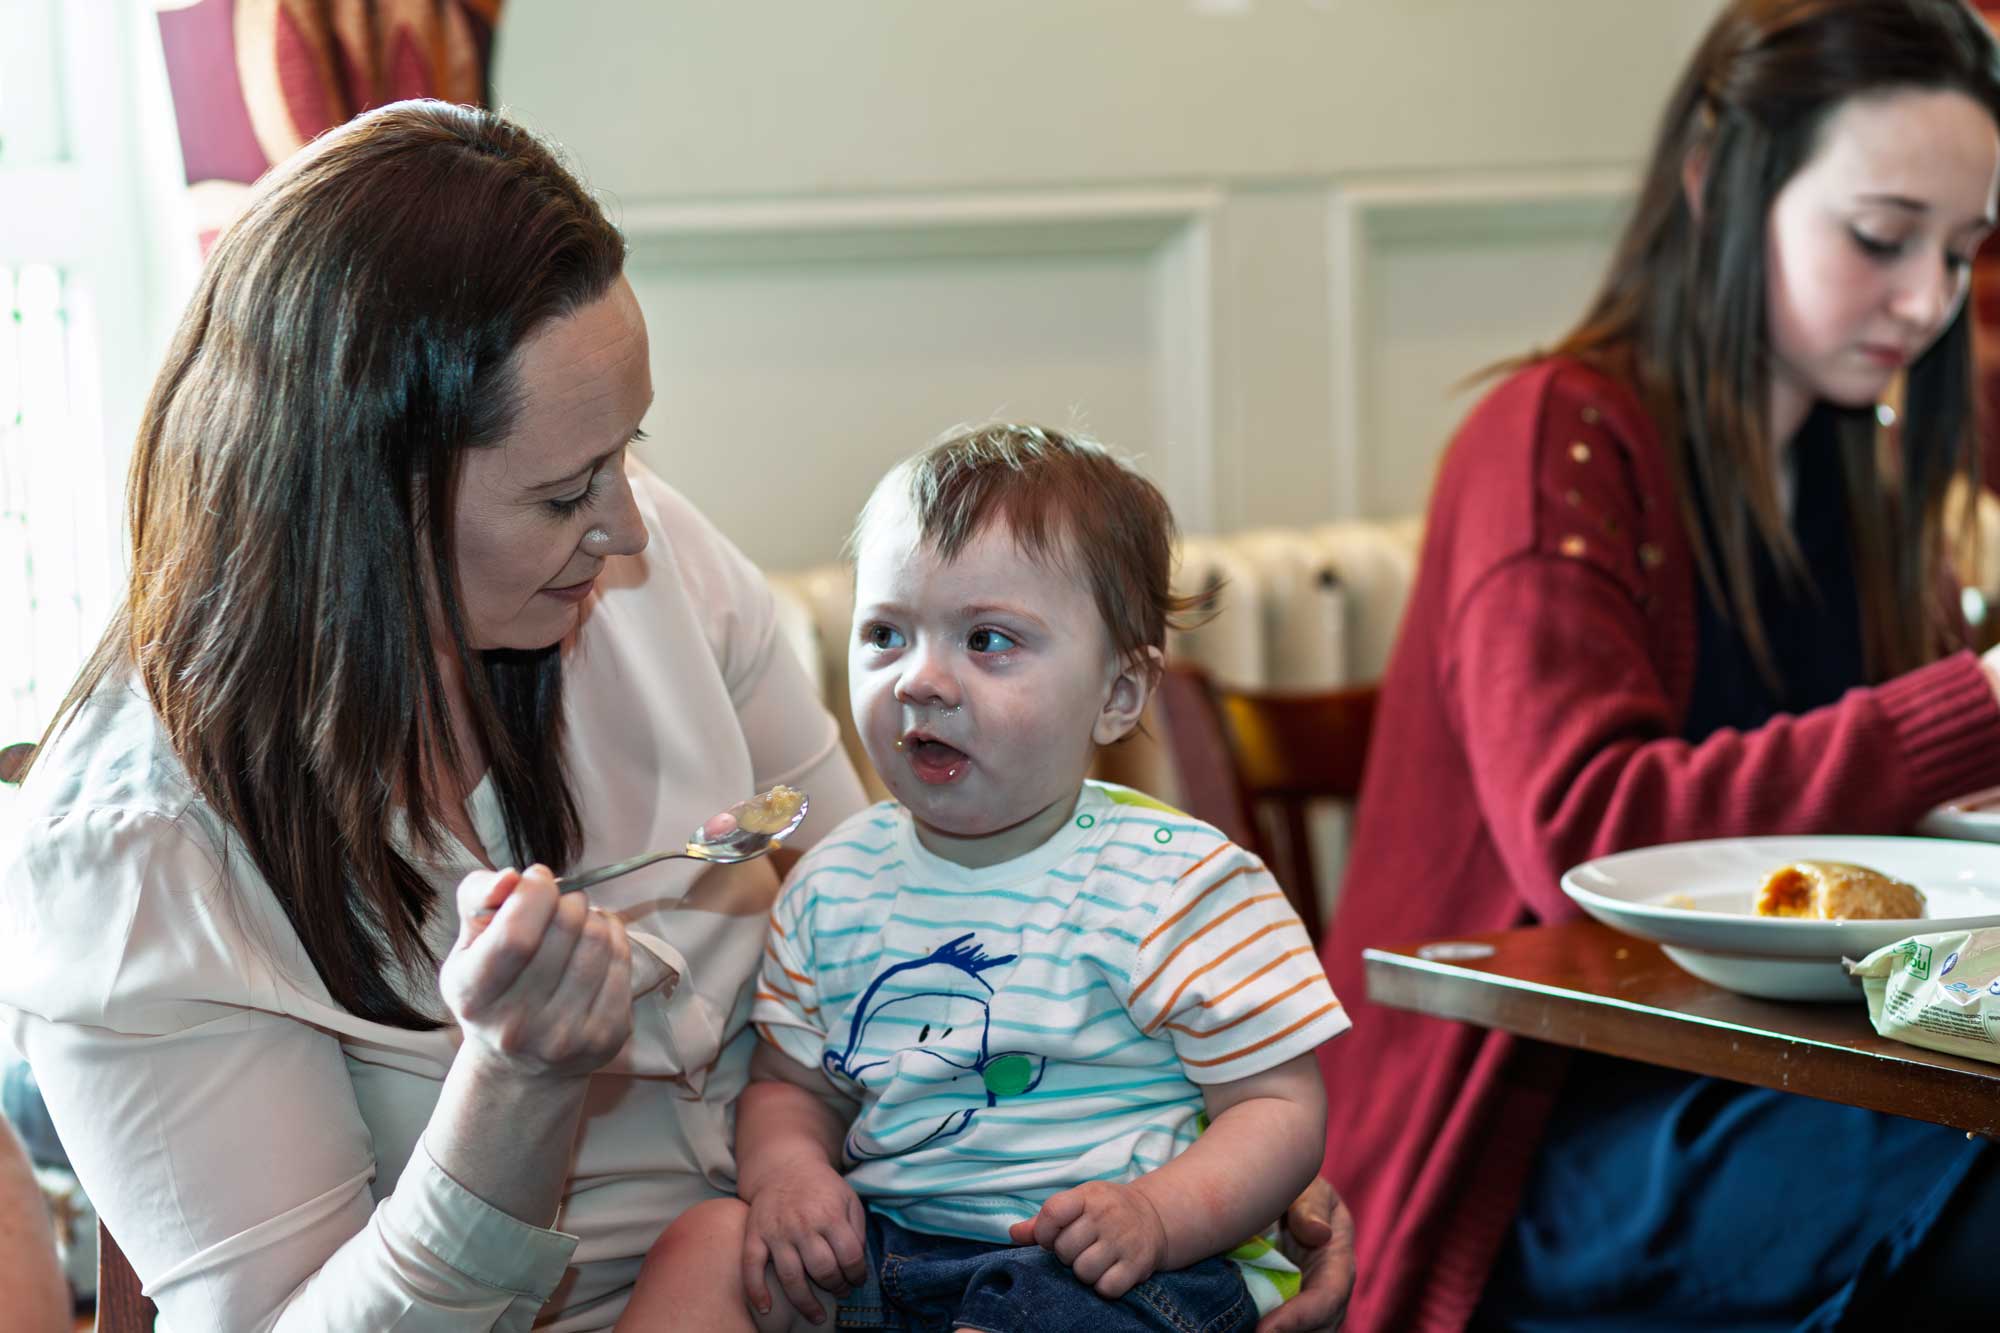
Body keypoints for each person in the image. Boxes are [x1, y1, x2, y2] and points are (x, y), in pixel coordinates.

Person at [0, 103, 1358, 1331]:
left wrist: (1192, 1168)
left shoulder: (647, 567)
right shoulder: (136, 853)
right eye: (563, 491)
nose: (629, 527)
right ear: (359, 501)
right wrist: (517, 1090)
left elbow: (911, 936)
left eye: (628, 454)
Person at [1314, 1, 2000, 1329]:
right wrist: (1973, 707)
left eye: (1966, 253)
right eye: (1880, 237)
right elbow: (1584, 820)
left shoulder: (1856, 467)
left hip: (1777, 1071)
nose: (1927, 300)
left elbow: (1854, 847)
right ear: (1716, 185)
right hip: (1528, 1138)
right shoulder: (1555, 439)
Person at [618, 425, 1351, 1332]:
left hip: (1110, 1269)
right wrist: (792, 1175)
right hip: (888, 1248)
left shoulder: (1182, 883)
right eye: (886, 633)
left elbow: (1280, 1105)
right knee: (707, 1244)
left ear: (1118, 692)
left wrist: (1159, 1214)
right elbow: (791, 1087)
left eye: (989, 639)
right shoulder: (831, 880)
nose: (921, 679)